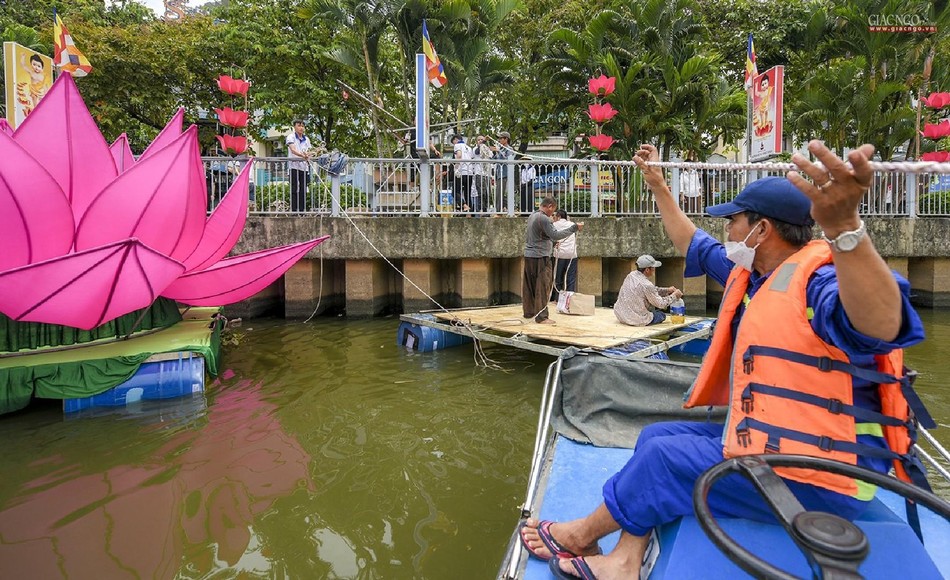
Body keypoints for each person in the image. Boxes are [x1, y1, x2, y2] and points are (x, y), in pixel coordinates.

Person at [522, 140, 928, 579]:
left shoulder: (820, 283)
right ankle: (624, 558)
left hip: (825, 474)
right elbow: (688, 239)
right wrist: (658, 184)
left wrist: (846, 229)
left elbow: (880, 325)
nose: (727, 232)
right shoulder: (754, 274)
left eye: (733, 221)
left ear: (762, 230)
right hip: (777, 447)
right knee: (656, 437)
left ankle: (579, 535)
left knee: (664, 460)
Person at [524, 198, 583, 324]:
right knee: (543, 286)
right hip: (541, 257)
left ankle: (529, 312)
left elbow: (541, 235)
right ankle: (542, 317)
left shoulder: (532, 216)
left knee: (530, 286)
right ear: (550, 206)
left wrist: (552, 243)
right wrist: (574, 228)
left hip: (529, 255)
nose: (553, 214)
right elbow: (555, 235)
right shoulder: (544, 219)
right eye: (553, 211)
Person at [613, 255, 682, 326]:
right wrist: (675, 296)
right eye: (653, 267)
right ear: (647, 270)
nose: (654, 269)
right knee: (661, 315)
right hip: (634, 319)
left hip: (620, 314)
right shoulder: (647, 285)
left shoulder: (631, 275)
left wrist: (667, 290)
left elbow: (651, 290)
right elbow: (661, 304)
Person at [551, 209, 579, 301]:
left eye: (555, 216)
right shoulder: (572, 224)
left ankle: (558, 299)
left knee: (558, 278)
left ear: (558, 216)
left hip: (559, 255)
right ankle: (569, 300)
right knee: (570, 279)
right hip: (571, 255)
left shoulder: (554, 225)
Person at [286, 120, 313, 212]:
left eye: (302, 126)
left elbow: (309, 151)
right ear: (294, 127)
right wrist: (302, 155)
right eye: (299, 126)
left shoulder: (307, 139)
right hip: (293, 166)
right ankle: (294, 210)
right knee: (294, 188)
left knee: (303, 189)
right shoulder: (291, 137)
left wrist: (310, 154)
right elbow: (293, 150)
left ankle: (302, 210)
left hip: (304, 167)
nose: (301, 128)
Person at [493, 132, 514, 212]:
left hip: (505, 174)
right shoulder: (501, 149)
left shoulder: (509, 149)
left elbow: (507, 159)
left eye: (501, 138)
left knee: (501, 193)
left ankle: (499, 212)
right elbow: (493, 160)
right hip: (499, 174)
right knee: (499, 193)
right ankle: (501, 210)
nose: (499, 140)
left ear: (506, 139)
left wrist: (498, 151)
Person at [452, 135, 475, 212]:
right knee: (467, 193)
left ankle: (464, 205)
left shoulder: (457, 145)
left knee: (455, 192)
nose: (454, 144)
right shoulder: (469, 148)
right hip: (469, 172)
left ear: (456, 140)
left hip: (461, 171)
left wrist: (456, 167)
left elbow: (459, 155)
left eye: (453, 142)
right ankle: (470, 212)